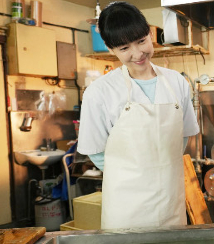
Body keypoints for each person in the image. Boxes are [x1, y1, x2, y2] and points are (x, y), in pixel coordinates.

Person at [77, 1, 199, 230]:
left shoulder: (177, 83)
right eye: (124, 49)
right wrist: (134, 175)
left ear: (150, 33)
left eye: (142, 41)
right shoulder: (100, 92)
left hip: (171, 204)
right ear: (110, 48)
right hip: (126, 209)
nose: (137, 53)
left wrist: (160, 170)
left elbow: (182, 138)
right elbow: (95, 150)